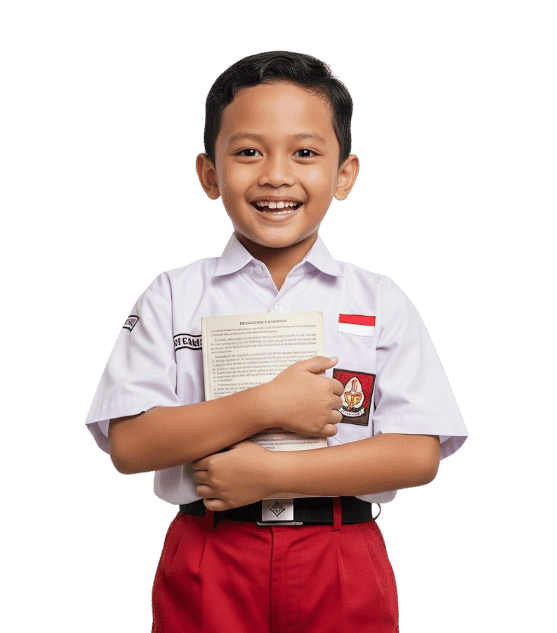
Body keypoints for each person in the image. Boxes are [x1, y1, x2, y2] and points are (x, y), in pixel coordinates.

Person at [85, 50, 468, 633]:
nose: (275, 176)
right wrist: (265, 405)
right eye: (248, 152)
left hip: (340, 556)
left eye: (305, 153)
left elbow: (417, 455)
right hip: (212, 553)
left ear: (345, 175)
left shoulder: (380, 298)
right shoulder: (173, 294)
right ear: (208, 174)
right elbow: (130, 446)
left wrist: (272, 475)